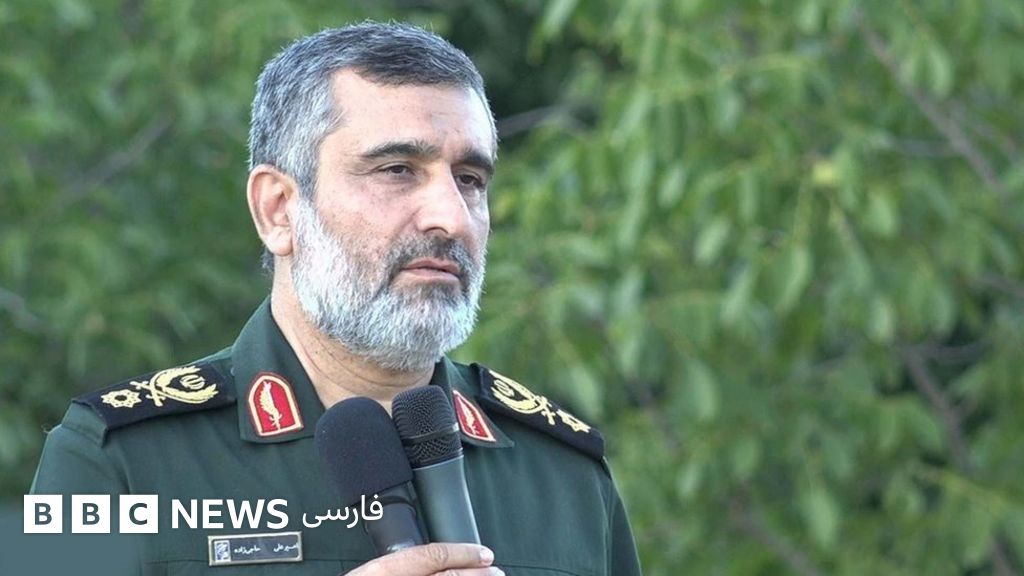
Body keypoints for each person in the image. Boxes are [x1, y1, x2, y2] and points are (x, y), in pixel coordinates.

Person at [31, 22, 642, 576]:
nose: (451, 217)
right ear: (278, 210)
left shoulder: (563, 474)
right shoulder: (113, 458)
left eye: (470, 180)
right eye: (397, 170)